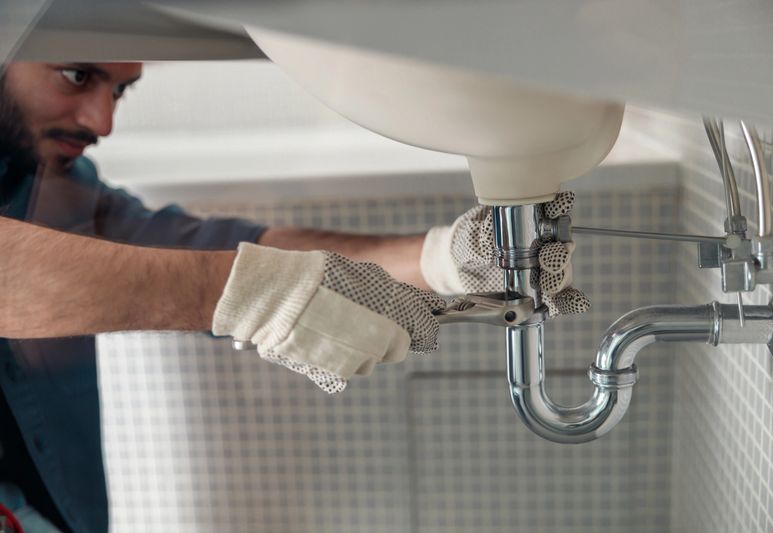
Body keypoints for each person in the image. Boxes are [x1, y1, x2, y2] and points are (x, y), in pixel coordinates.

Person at [0, 61, 586, 532]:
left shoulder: (45, 185)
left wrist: (441, 257)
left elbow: (212, 249)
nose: (102, 121)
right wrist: (244, 294)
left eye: (120, 90)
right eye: (76, 75)